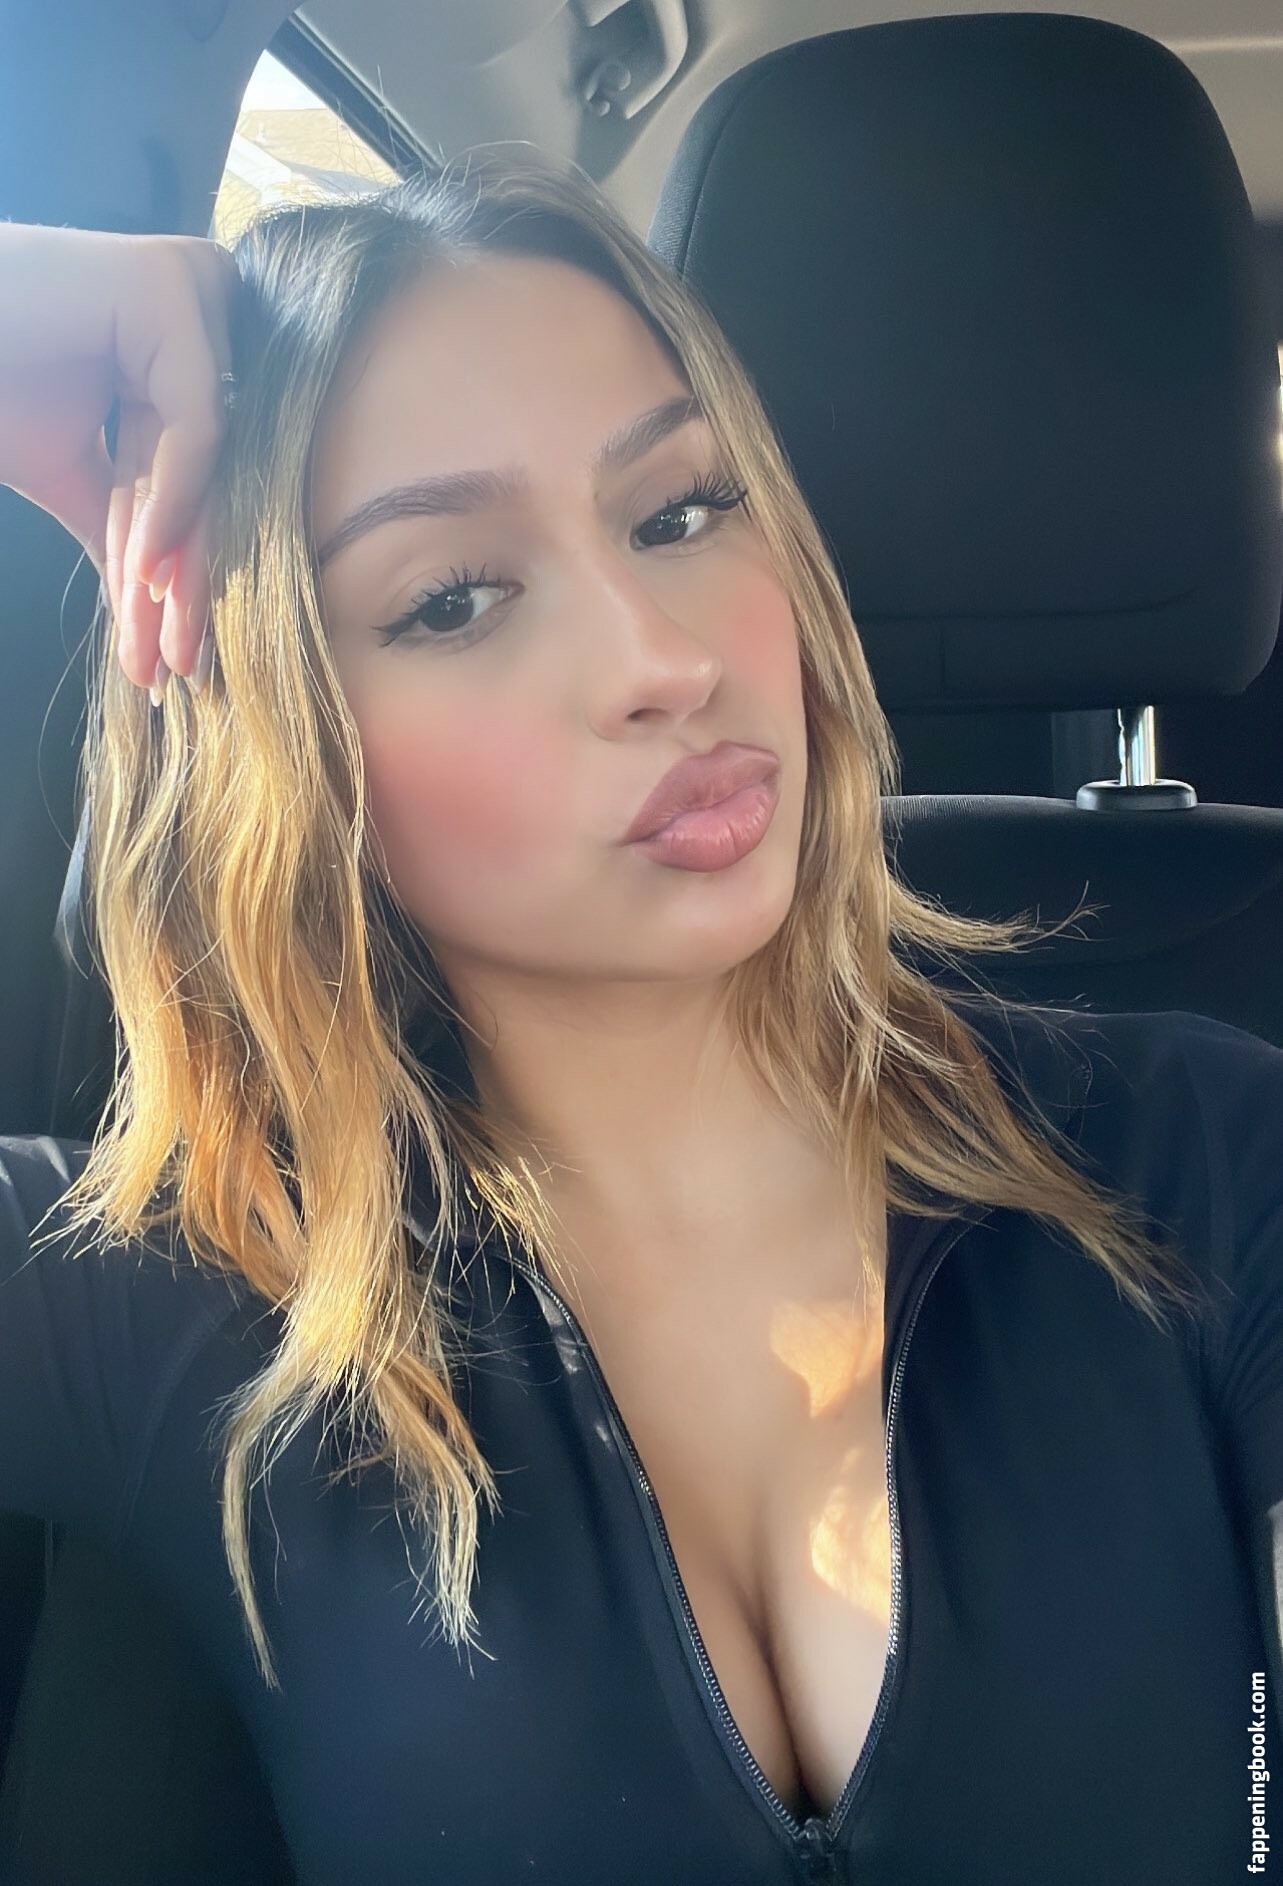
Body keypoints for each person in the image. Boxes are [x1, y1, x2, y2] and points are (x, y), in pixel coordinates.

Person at [0, 145, 1279, 1886]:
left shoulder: (1204, 1161)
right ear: (288, 745)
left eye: (678, 511)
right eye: (453, 598)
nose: (661, 659)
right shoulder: (196, 1308)